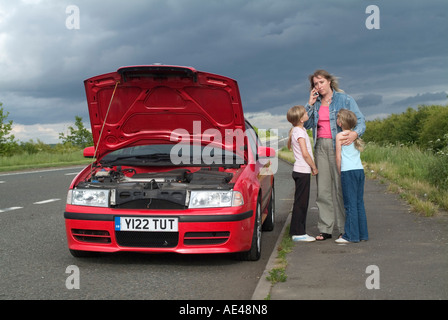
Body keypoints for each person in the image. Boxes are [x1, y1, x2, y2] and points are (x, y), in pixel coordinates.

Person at [304, 69, 365, 241]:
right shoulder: (315, 103)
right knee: (323, 190)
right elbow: (306, 124)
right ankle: (325, 228)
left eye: (321, 82)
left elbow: (361, 121)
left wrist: (355, 134)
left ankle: (345, 229)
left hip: (338, 146)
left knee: (340, 188)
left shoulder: (345, 99)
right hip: (320, 148)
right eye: (315, 83)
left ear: (329, 81)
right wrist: (309, 104)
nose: (319, 86)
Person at [335, 109, 368, 243]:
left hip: (347, 171)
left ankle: (350, 236)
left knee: (349, 205)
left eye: (338, 118)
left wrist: (339, 171)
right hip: (359, 171)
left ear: (341, 122)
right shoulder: (355, 136)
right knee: (359, 203)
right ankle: (362, 234)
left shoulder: (340, 136)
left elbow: (338, 157)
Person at [287, 105, 318, 242]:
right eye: (305, 113)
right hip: (303, 170)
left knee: (300, 202)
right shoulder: (299, 132)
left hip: (299, 170)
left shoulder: (298, 130)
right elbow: (305, 154)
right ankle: (299, 233)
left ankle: (295, 231)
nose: (307, 113)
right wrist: (314, 167)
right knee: (302, 203)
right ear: (300, 119)